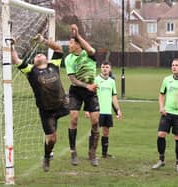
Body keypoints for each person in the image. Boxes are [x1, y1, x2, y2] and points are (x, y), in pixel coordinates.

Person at [11, 34, 69, 172]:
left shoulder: (53, 65)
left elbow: (59, 49)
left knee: (75, 110)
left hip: (62, 105)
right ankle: (47, 156)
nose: (38, 55)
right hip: (47, 111)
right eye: (36, 56)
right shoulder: (31, 71)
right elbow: (16, 60)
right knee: (52, 139)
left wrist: (43, 41)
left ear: (46, 58)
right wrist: (12, 46)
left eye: (40, 55)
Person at [65, 24, 100, 166]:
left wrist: (78, 34)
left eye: (71, 43)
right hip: (77, 90)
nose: (69, 46)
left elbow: (91, 49)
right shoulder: (68, 59)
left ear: (78, 44)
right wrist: (87, 86)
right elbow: (72, 79)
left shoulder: (88, 54)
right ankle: (73, 152)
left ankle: (92, 153)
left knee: (95, 122)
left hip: (91, 92)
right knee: (73, 118)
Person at [94, 61, 122, 158]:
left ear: (110, 69)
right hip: (97, 110)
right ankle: (92, 153)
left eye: (107, 67)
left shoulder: (112, 81)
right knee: (95, 131)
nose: (105, 69)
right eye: (103, 67)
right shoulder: (96, 80)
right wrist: (88, 109)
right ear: (100, 69)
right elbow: (91, 96)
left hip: (107, 111)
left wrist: (117, 109)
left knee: (106, 132)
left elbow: (114, 97)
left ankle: (104, 154)